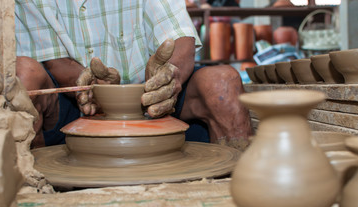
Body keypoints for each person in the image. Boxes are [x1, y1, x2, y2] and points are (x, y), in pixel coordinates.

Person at [15, 0, 252, 150]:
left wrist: (168, 75)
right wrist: (98, 86)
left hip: (156, 99)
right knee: (23, 76)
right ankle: (32, 192)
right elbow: (56, 62)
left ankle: (235, 189)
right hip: (79, 99)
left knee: (224, 82)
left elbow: (180, 38)